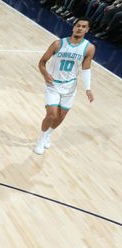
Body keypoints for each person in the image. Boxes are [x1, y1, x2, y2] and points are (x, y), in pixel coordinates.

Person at [33, 17, 95, 154]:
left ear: (87, 30)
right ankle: (41, 139)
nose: (80, 28)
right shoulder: (58, 44)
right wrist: (45, 74)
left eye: (84, 26)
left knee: (61, 117)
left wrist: (88, 89)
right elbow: (42, 62)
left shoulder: (89, 48)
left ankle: (48, 134)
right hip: (53, 85)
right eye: (78, 25)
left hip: (70, 87)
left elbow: (86, 69)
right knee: (51, 115)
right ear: (73, 27)